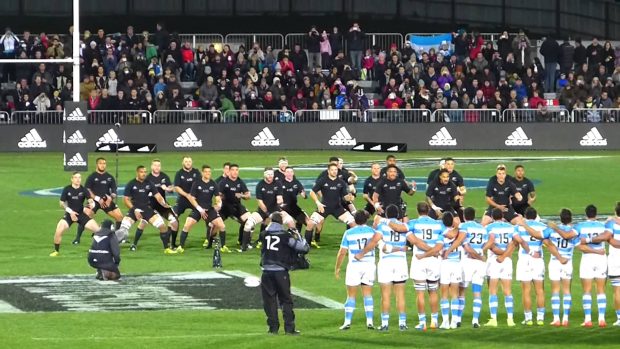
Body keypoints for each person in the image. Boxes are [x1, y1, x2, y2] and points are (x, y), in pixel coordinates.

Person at [389, 202, 446, 330]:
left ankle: (422, 322)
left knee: (420, 292)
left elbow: (399, 228)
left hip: (419, 259)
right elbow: (449, 233)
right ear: (429, 210)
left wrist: (385, 221)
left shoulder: (414, 223)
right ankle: (434, 321)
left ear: (417, 210)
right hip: (434, 259)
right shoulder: (438, 224)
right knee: (433, 291)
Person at [514, 207, 566, 326]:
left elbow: (516, 242)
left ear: (525, 216)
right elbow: (548, 244)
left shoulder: (518, 227)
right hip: (538, 260)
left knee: (526, 291)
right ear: (536, 215)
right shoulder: (542, 227)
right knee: (540, 290)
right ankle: (540, 318)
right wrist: (559, 257)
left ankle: (528, 319)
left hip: (524, 259)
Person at [260, 212, 309, 335]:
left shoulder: (264, 234)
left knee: (269, 301)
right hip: (280, 272)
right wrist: (294, 230)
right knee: (286, 300)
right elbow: (303, 248)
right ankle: (289, 329)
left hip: (266, 272)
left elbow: (267, 231)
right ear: (281, 222)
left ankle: (273, 329)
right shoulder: (285, 236)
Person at [117, 165, 177, 254]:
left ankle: (166, 248)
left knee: (162, 226)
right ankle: (111, 246)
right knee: (123, 229)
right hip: (134, 209)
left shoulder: (149, 183)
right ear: (137, 173)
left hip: (147, 209)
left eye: (145, 172)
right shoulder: (131, 184)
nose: (144, 174)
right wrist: (134, 209)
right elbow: (125, 199)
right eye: (141, 172)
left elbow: (158, 196)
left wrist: (164, 204)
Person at [335, 211, 378, 330]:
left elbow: (342, 252)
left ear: (354, 220)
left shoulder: (348, 233)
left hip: (354, 266)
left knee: (351, 295)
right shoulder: (372, 232)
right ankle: (369, 321)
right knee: (368, 294)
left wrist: (337, 268)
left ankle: (347, 322)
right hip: (369, 265)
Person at [177, 165, 227, 253]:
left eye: (209, 172)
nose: (208, 173)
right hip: (198, 209)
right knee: (187, 225)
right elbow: (192, 198)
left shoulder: (213, 183)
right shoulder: (197, 183)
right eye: (206, 172)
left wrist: (219, 204)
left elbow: (217, 197)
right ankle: (181, 246)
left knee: (222, 226)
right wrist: (200, 209)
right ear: (202, 173)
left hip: (209, 209)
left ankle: (223, 247)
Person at [242, 168, 294, 251]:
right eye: (268, 174)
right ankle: (244, 247)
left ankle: (292, 243)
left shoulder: (278, 183)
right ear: (264, 174)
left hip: (276, 211)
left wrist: (280, 202)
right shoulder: (260, 185)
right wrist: (268, 214)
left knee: (290, 221)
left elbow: (279, 198)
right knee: (248, 224)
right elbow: (260, 203)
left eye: (272, 174)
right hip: (262, 211)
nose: (270, 176)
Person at [74, 157, 123, 245]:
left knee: (119, 217)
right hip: (94, 201)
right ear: (97, 164)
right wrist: (97, 198)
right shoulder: (92, 177)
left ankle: (116, 238)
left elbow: (114, 190)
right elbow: (87, 190)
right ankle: (77, 238)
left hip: (106, 201)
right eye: (100, 163)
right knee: (85, 216)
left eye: (104, 163)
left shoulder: (110, 177)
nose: (102, 165)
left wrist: (111, 198)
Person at [50, 172, 100, 256]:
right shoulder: (67, 189)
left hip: (81, 214)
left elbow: (90, 200)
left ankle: (101, 249)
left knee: (99, 231)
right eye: (76, 177)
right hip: (69, 214)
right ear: (72, 179)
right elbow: (61, 203)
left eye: (79, 177)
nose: (78, 179)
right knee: (59, 230)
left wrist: (92, 204)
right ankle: (56, 251)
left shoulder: (83, 189)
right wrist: (71, 212)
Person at [130, 159, 176, 251]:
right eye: (155, 165)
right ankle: (134, 244)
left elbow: (171, 189)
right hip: (149, 205)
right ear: (151, 166)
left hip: (161, 204)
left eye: (158, 165)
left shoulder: (164, 176)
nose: (157, 167)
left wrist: (167, 188)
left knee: (173, 220)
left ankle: (169, 243)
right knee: (143, 223)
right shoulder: (147, 178)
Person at [575, 204, 608, 328]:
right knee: (601, 290)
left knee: (587, 290)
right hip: (601, 259)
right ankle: (601, 319)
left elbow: (579, 245)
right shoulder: (603, 226)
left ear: (586, 214)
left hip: (587, 259)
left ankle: (588, 319)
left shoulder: (579, 226)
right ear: (596, 214)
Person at [307, 163, 355, 247]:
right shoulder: (322, 180)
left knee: (353, 223)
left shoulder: (341, 182)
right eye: (332, 170)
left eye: (336, 170)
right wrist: (318, 203)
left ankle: (352, 243)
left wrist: (350, 197)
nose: (334, 171)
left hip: (338, 208)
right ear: (328, 171)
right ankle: (307, 245)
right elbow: (312, 192)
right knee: (310, 223)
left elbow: (345, 197)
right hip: (324, 207)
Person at [546, 208, 581, 327]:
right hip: (567, 262)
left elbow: (547, 242)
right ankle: (565, 318)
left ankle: (556, 318)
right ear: (570, 218)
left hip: (555, 261)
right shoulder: (573, 231)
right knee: (566, 290)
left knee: (555, 290)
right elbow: (579, 246)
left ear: (560, 218)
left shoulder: (552, 231)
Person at [460, 207, 493, 328]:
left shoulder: (463, 227)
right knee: (477, 291)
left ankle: (458, 319)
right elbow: (486, 244)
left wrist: (475, 256)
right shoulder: (482, 229)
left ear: (464, 216)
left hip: (467, 262)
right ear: (474, 216)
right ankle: (475, 320)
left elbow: (466, 247)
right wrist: (480, 256)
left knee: (462, 290)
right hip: (480, 263)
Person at [485, 208, 517, 327]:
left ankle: (493, 319)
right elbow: (514, 243)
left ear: (492, 217)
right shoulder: (511, 227)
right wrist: (505, 256)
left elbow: (491, 245)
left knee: (493, 290)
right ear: (503, 215)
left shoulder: (488, 228)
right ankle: (510, 319)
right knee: (508, 291)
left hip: (494, 260)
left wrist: (500, 255)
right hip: (507, 260)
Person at [438, 212, 464, 330]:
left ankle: (445, 322)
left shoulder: (441, 232)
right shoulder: (458, 232)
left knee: (444, 294)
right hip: (456, 264)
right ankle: (454, 321)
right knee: (455, 294)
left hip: (445, 264)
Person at [218, 163, 252, 248]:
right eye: (233, 170)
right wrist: (219, 201)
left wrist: (242, 196)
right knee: (214, 224)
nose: (235, 172)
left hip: (237, 206)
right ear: (229, 171)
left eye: (237, 170)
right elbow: (218, 195)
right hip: (225, 207)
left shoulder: (240, 182)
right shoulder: (223, 182)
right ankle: (210, 241)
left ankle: (242, 241)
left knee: (248, 220)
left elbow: (248, 196)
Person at [171, 157, 201, 248]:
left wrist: (193, 195)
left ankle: (209, 240)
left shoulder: (196, 172)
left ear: (192, 163)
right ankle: (172, 243)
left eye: (189, 161)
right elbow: (176, 187)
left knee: (206, 215)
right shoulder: (179, 173)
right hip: (182, 199)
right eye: (186, 161)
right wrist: (186, 195)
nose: (188, 163)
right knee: (173, 218)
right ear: (183, 163)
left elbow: (200, 184)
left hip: (194, 199)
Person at [603, 202, 620, 327]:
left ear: (615, 211)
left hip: (615, 260)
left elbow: (609, 238)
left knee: (617, 290)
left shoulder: (610, 223)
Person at [280, 166, 309, 234]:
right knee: (278, 222)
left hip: (293, 207)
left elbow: (303, 193)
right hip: (282, 207)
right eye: (287, 172)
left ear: (293, 173)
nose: (289, 173)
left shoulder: (296, 182)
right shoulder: (280, 183)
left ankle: (295, 234)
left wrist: (303, 195)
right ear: (284, 173)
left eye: (291, 172)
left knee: (306, 221)